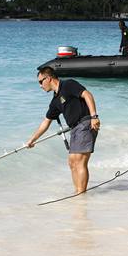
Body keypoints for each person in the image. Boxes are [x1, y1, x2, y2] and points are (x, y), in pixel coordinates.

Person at [26, 66, 100, 194]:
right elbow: (46, 122)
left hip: (86, 122)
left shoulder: (68, 84)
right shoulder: (55, 101)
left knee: (79, 160)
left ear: (48, 78)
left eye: (40, 82)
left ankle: (81, 194)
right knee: (72, 162)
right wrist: (33, 139)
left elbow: (87, 95)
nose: (40, 86)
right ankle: (78, 191)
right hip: (75, 129)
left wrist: (94, 116)